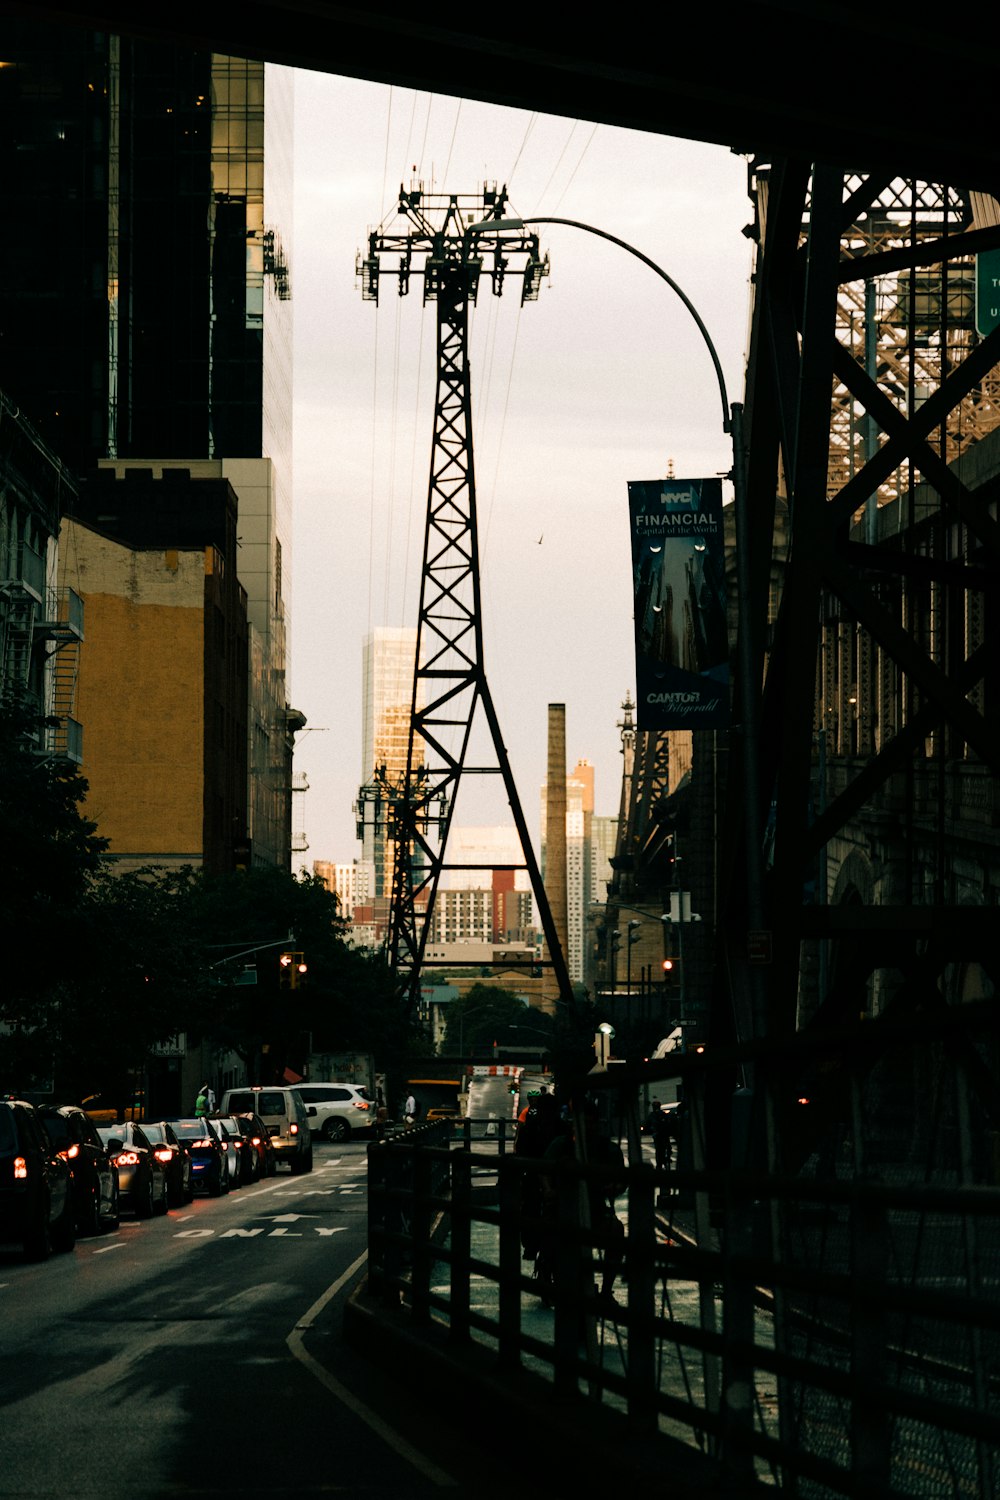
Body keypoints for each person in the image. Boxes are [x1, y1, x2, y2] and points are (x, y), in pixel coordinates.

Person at [538, 1098, 626, 1316]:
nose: (587, 1128)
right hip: (560, 1208)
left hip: (596, 1209)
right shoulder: (561, 1144)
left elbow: (621, 1179)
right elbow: (543, 1170)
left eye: (591, 1123)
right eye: (582, 1123)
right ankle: (546, 1272)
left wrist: (613, 1187)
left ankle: (606, 1290)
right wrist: (548, 1190)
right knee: (549, 1235)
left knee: (616, 1232)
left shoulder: (609, 1149)